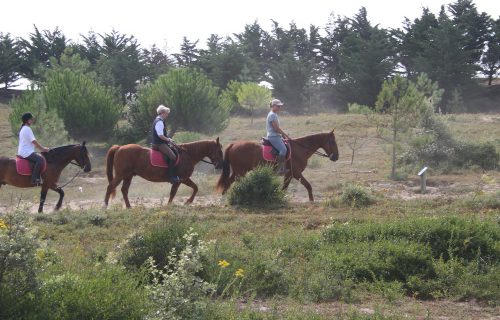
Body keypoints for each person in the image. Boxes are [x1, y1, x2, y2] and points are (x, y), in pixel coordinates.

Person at [17, 113, 50, 185]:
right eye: (31, 119)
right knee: (40, 160)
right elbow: (33, 141)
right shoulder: (27, 129)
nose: (32, 120)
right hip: (26, 152)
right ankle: (34, 179)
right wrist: (43, 149)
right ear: (27, 120)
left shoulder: (23, 128)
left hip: (25, 151)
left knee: (39, 157)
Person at [151, 105, 180, 183]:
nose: (167, 115)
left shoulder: (158, 120)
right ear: (162, 113)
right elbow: (160, 135)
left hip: (160, 143)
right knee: (173, 157)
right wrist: (169, 140)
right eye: (166, 113)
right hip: (159, 144)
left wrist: (168, 141)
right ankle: (171, 177)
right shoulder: (159, 122)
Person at [266, 99, 290, 175]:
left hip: (276, 135)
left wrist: (282, 135)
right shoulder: (272, 115)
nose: (280, 107)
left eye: (280, 106)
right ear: (273, 106)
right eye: (278, 106)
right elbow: (276, 129)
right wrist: (285, 134)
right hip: (273, 136)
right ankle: (279, 170)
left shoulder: (274, 114)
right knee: (283, 149)